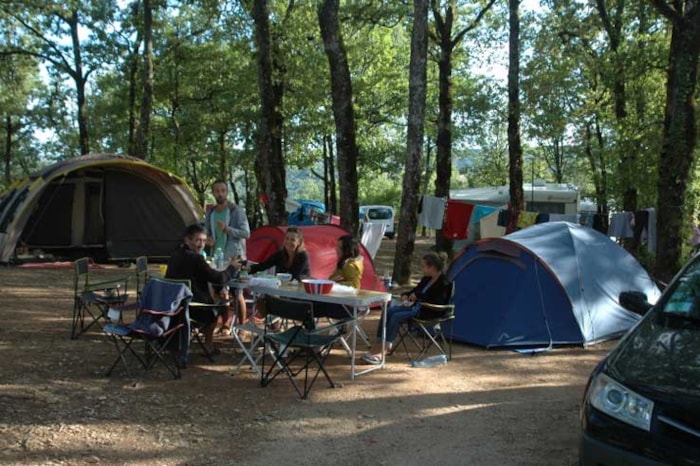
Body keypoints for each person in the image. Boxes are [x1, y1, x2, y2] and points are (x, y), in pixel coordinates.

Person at [361, 252, 452, 365]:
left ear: (432, 267)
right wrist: (406, 294)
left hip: (429, 312)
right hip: (415, 308)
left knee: (396, 316)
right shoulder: (426, 279)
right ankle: (377, 346)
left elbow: (437, 301)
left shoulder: (444, 282)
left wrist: (419, 296)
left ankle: (384, 350)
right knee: (387, 312)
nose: (422, 268)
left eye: (423, 266)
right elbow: (416, 290)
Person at [166, 224, 240, 355]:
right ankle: (208, 345)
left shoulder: (175, 254)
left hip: (172, 305)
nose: (201, 244)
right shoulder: (196, 258)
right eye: (198, 240)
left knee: (215, 298)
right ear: (187, 240)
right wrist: (232, 267)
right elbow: (219, 278)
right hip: (192, 307)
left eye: (204, 241)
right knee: (216, 308)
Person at [204, 180, 250, 334]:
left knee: (237, 293)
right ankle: (225, 324)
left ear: (227, 192)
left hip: (234, 258)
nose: (220, 193)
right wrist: (207, 239)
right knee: (222, 292)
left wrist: (228, 229)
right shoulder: (210, 212)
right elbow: (206, 232)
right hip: (216, 258)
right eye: (217, 191)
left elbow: (246, 233)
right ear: (213, 192)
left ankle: (242, 326)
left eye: (223, 190)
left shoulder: (236, 211)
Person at [313, 235, 364, 321]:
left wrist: (334, 284)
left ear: (347, 250)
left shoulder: (350, 265)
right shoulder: (345, 263)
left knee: (310, 306)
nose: (336, 249)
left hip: (347, 307)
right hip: (341, 302)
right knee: (312, 305)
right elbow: (333, 278)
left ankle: (309, 331)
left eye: (339, 247)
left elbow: (355, 286)